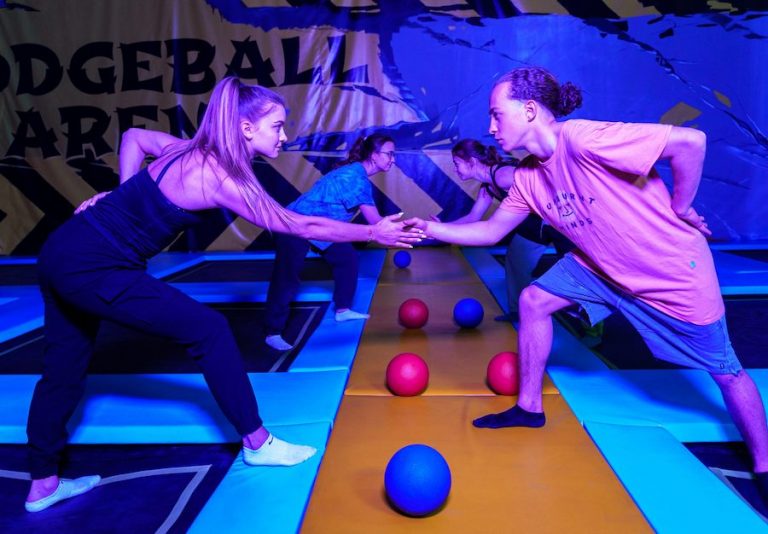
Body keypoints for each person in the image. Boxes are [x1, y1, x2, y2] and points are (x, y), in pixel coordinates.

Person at [25, 77, 421, 513]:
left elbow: (135, 138)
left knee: (64, 368)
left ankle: (43, 483)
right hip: (93, 266)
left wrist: (121, 191)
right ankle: (257, 441)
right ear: (247, 129)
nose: (285, 136)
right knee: (210, 329)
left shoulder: (188, 150)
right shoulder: (219, 177)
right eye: (278, 126)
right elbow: (300, 225)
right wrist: (372, 231)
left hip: (62, 249)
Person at [405, 66, 768, 488]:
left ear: (528, 110)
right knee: (534, 300)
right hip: (601, 269)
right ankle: (529, 407)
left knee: (727, 372)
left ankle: (763, 463)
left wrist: (683, 206)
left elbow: (691, 142)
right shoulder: (525, 178)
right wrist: (426, 228)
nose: (490, 128)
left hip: (670, 275)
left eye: (495, 115)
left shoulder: (580, 138)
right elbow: (489, 231)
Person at [264, 133, 397, 351]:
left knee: (347, 258)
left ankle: (343, 310)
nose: (393, 159)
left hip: (321, 227)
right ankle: (272, 332)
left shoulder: (357, 174)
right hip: (293, 224)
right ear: (374, 155)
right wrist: (419, 230)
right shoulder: (355, 178)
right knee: (287, 276)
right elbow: (376, 224)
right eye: (389, 154)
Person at [445, 139, 572, 323]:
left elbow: (543, 184)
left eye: (457, 164)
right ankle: (518, 312)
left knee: (575, 271)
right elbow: (473, 217)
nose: (455, 169)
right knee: (516, 260)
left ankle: (592, 326)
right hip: (535, 223)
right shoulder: (487, 187)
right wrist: (440, 227)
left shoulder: (503, 175)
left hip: (559, 218)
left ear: (471, 162)